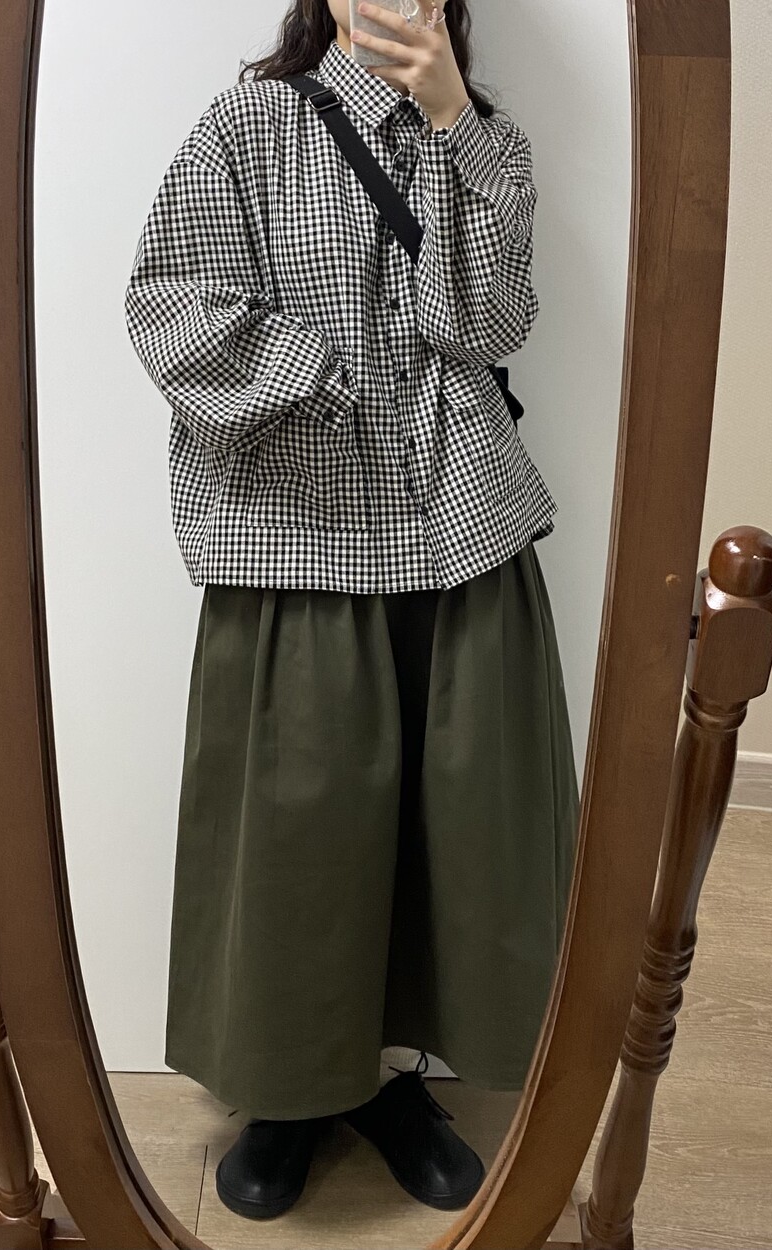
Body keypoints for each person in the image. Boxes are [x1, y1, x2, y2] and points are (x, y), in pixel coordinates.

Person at [123, 0, 579, 1222]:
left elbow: (486, 327)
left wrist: (452, 122)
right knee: (298, 841)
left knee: (455, 837)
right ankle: (289, 1087)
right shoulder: (248, 126)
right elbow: (168, 304)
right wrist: (318, 380)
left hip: (458, 536)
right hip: (296, 537)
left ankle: (393, 1081)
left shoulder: (488, 142)